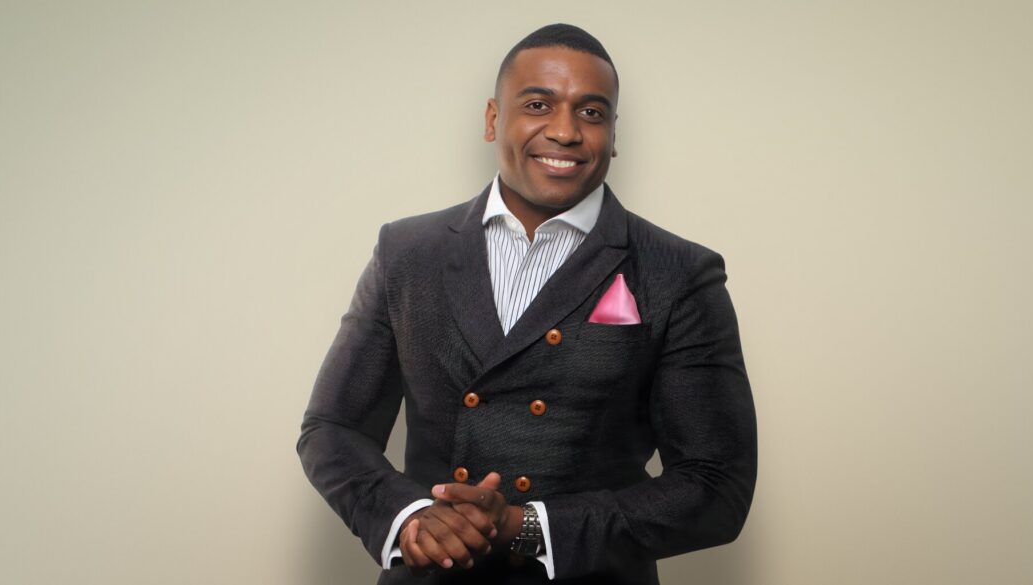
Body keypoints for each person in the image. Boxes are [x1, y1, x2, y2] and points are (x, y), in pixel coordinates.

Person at [297, 23, 757, 585]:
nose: (564, 131)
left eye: (592, 113)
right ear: (494, 119)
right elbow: (331, 427)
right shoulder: (407, 252)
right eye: (539, 104)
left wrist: (529, 527)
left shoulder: (677, 271)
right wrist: (409, 515)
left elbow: (716, 484)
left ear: (613, 134)